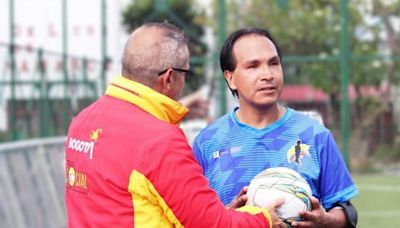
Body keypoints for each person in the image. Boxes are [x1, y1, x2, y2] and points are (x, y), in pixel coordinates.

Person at [65, 22, 286, 227]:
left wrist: (225, 212)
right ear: (169, 78)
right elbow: (212, 224)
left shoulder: (82, 122)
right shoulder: (158, 141)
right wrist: (264, 219)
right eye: (185, 73)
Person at [192, 27, 359, 228]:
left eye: (273, 63)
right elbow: (191, 217)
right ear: (230, 78)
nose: (267, 75)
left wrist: (327, 221)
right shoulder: (208, 142)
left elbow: (347, 211)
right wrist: (226, 217)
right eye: (253, 66)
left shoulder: (315, 135)